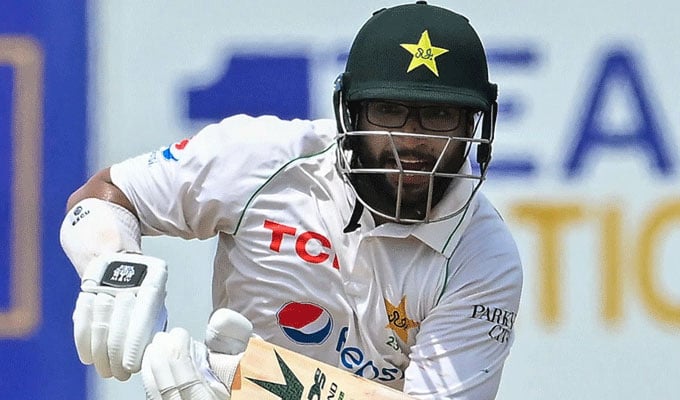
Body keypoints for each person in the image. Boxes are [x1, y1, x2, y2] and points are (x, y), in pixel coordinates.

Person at [59, 1, 523, 399]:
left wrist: (246, 381)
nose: (411, 141)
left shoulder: (481, 255)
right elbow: (108, 194)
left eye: (439, 115)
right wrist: (116, 267)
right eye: (389, 111)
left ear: (472, 127)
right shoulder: (260, 157)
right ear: (350, 112)